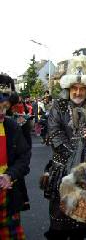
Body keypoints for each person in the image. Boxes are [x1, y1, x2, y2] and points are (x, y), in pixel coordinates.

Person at [44, 56, 86, 240]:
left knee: (80, 221)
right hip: (62, 169)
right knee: (59, 219)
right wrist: (73, 157)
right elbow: (54, 134)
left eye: (82, 89)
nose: (77, 92)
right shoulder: (58, 105)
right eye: (74, 88)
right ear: (68, 89)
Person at [0, 74, 31, 239]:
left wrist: (10, 175)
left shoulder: (11, 126)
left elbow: (24, 157)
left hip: (6, 193)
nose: (2, 113)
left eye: (5, 108)